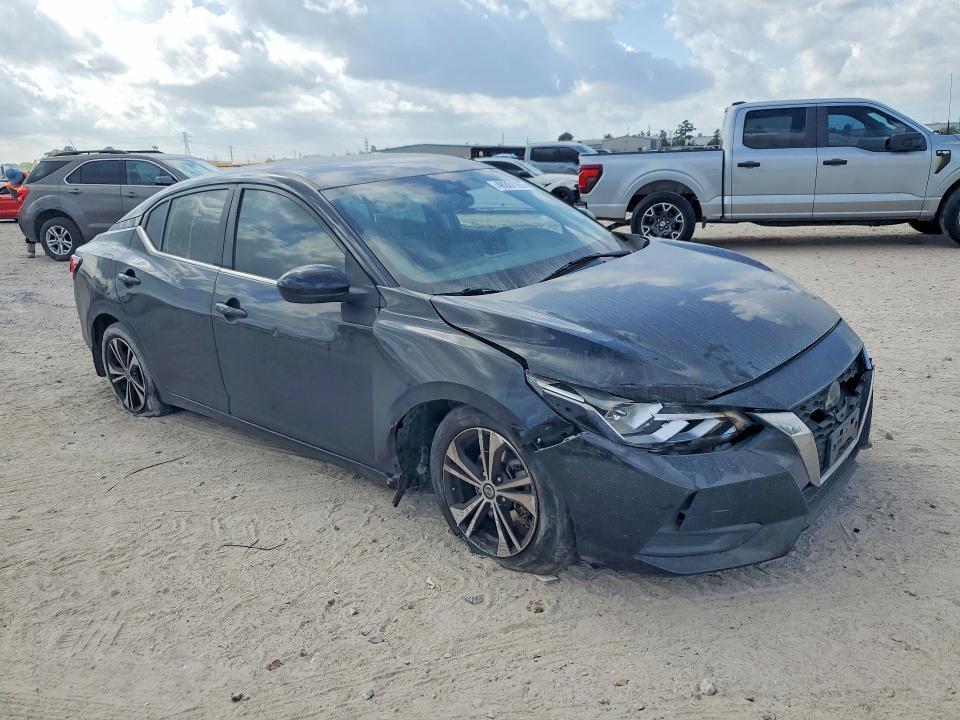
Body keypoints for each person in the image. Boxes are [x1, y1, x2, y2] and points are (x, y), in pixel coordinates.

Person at [2, 165, 34, 257]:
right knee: (29, 228)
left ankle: (48, 250)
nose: (18, 181)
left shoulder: (29, 176)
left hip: (38, 204)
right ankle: (31, 251)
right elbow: (17, 199)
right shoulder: (10, 186)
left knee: (44, 227)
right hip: (26, 207)